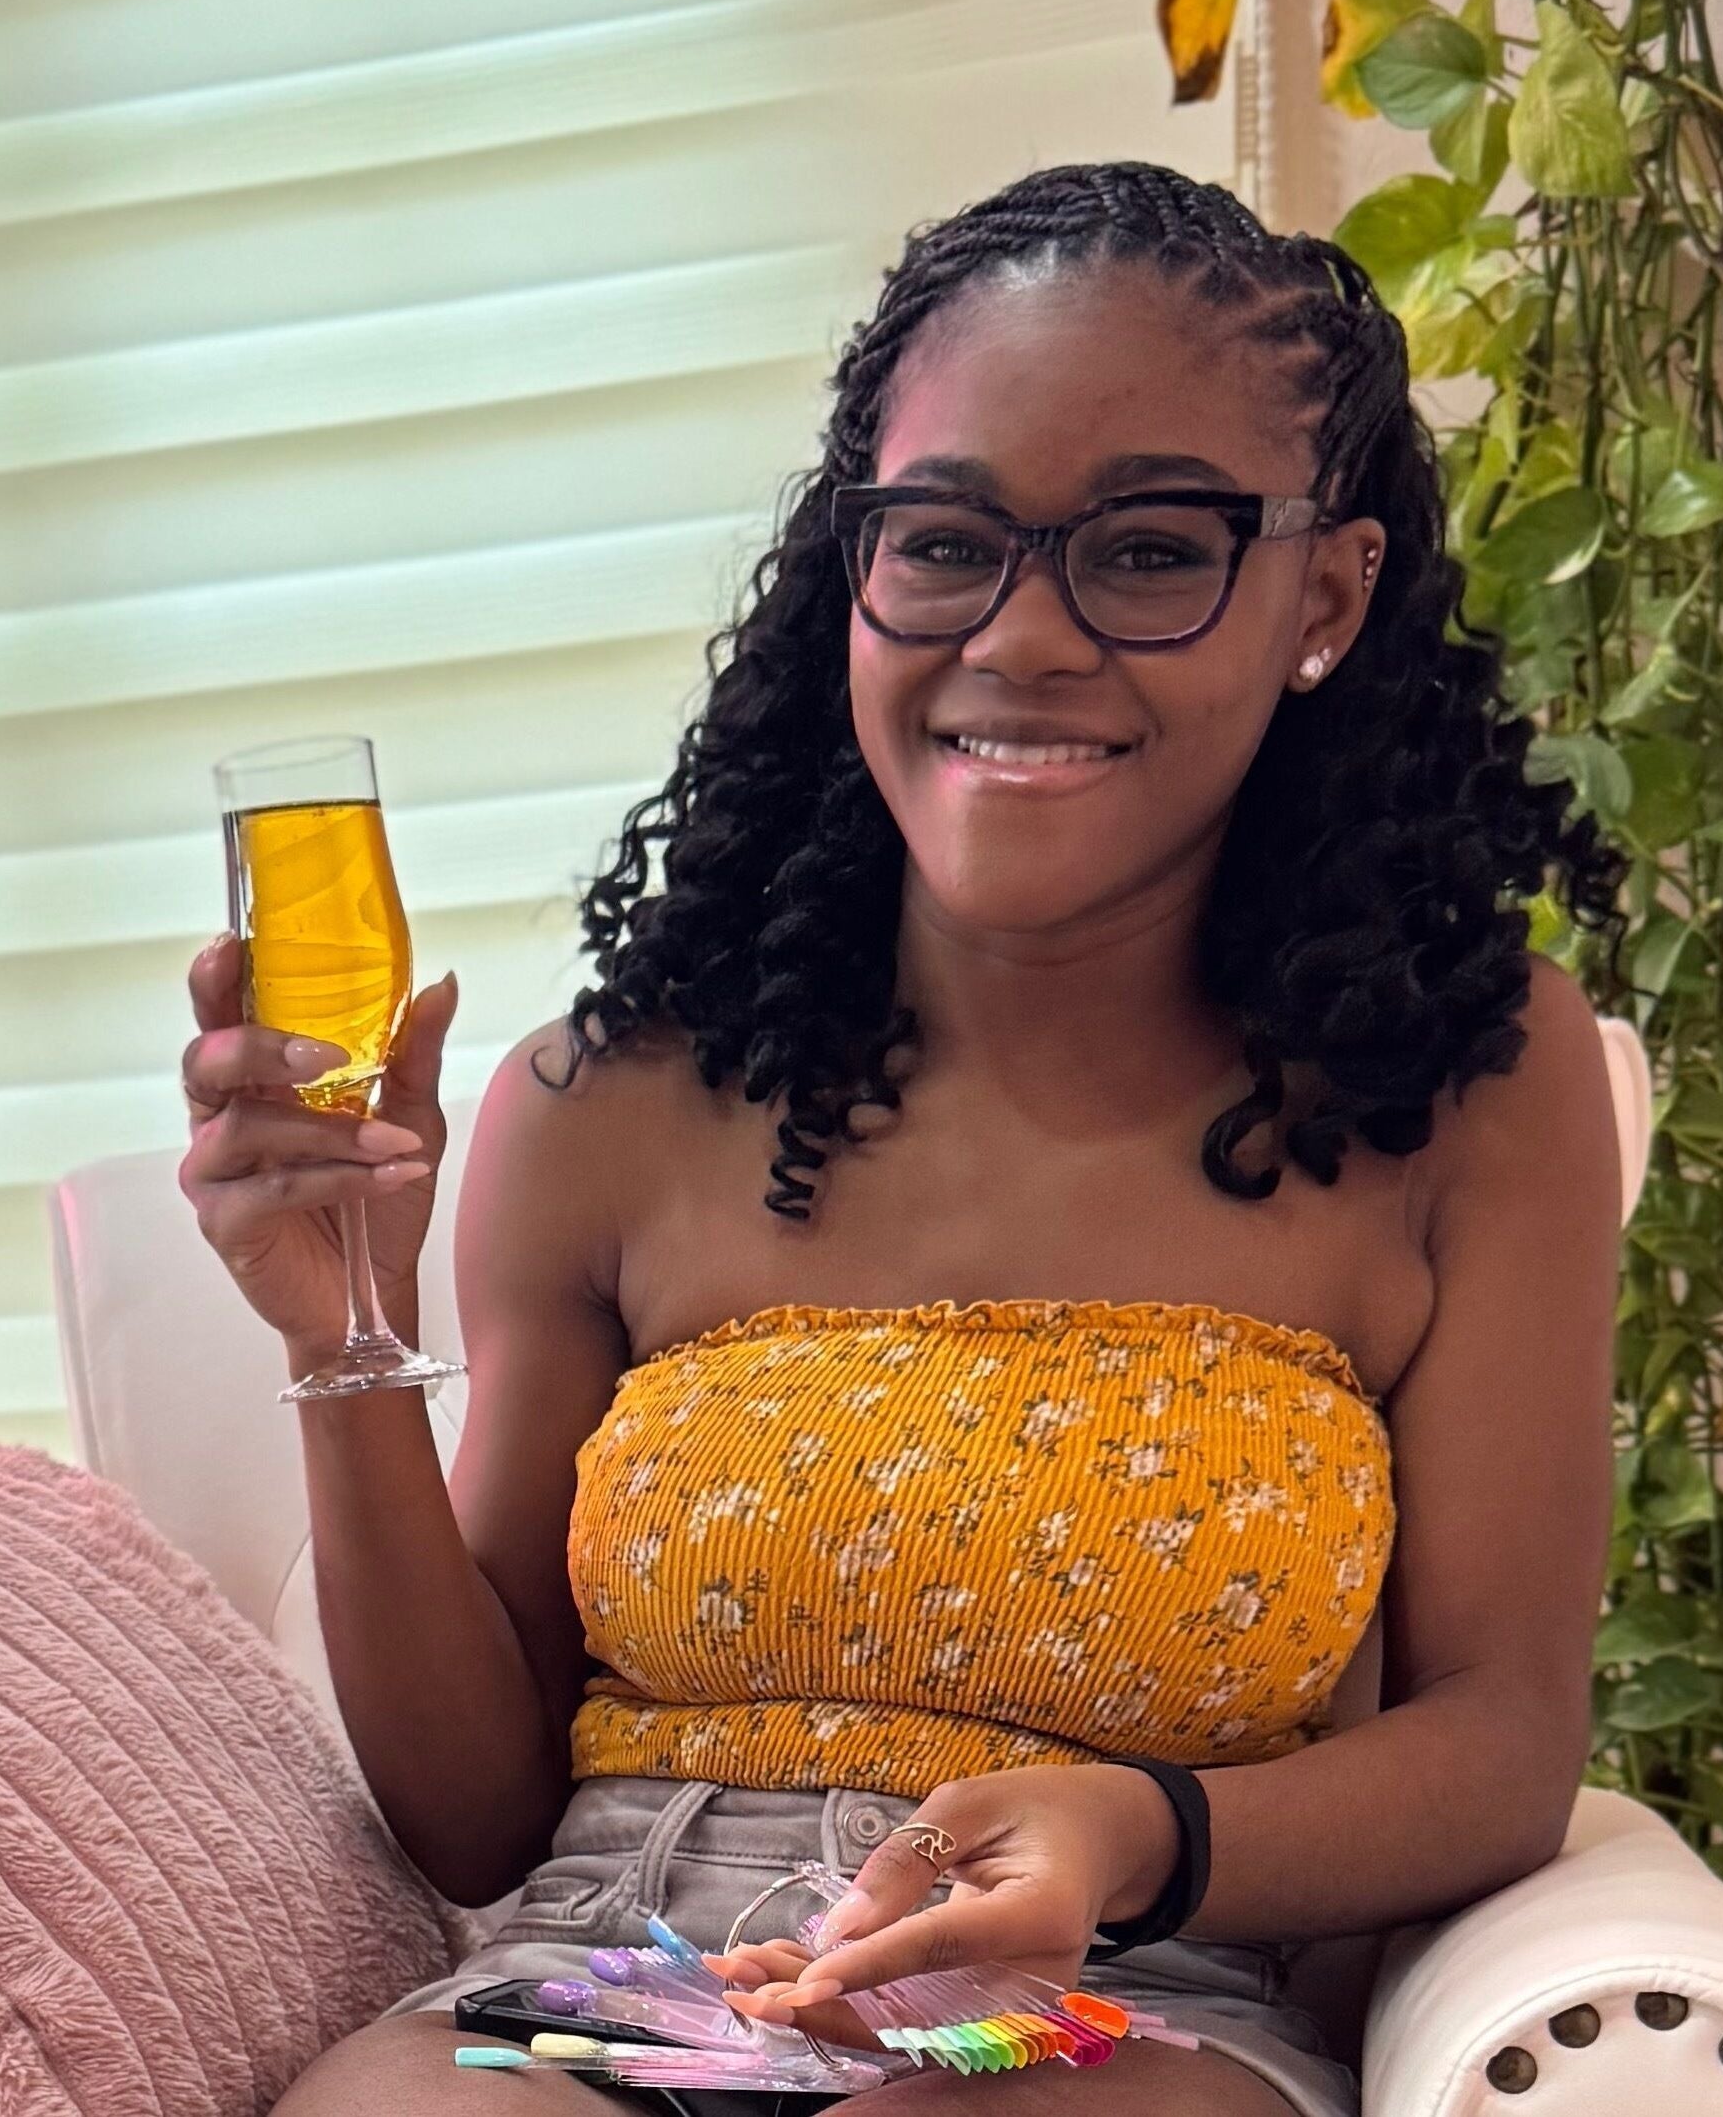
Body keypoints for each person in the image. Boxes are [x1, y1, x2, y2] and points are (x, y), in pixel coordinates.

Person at [179, 163, 1624, 2115]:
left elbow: (1500, 1740)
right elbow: (469, 1813)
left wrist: (1133, 1832)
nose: (1019, 636)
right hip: (617, 1970)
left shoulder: (1461, 1077)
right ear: (848, 569)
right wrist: (333, 1329)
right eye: (944, 541)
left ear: (1322, 595)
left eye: (1143, 549)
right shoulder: (594, 1099)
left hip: (1112, 1990)